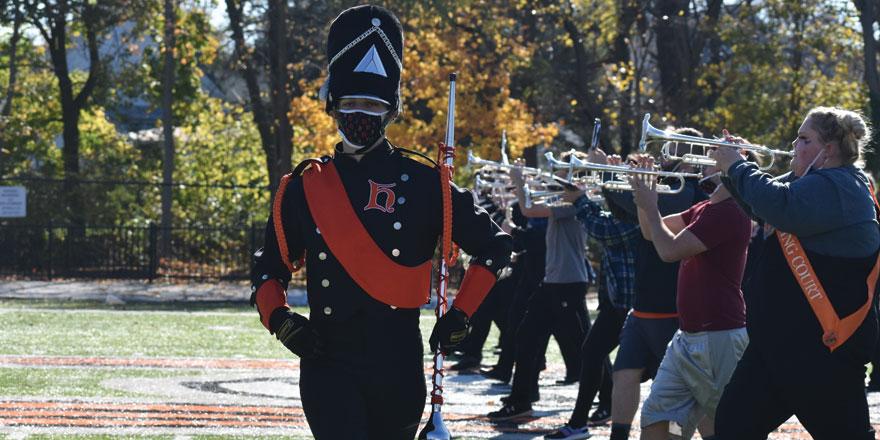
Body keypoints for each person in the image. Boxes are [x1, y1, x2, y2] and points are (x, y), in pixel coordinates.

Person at [248, 6, 511, 439]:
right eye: (350, 103)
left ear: (392, 109)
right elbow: (267, 267)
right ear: (332, 104)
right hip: (327, 362)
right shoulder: (305, 185)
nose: (360, 114)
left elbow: (496, 245)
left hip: (398, 366)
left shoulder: (429, 183)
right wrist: (280, 319)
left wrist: (461, 312)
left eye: (373, 105)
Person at [713, 107, 879, 440]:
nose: (793, 144)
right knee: (732, 427)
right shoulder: (814, 183)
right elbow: (761, 204)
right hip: (777, 349)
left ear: (827, 150)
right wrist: (736, 169)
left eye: (804, 139)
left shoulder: (838, 185)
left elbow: (779, 205)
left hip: (821, 357)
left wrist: (738, 164)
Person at [629, 151, 751, 440]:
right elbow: (650, 231)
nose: (703, 160)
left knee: (729, 425)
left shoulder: (730, 211)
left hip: (719, 337)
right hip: (688, 337)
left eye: (714, 154)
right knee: (662, 419)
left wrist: (650, 203)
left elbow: (668, 251)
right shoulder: (705, 208)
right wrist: (642, 195)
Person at [600, 130, 707, 440]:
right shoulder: (662, 183)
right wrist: (619, 178)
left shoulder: (693, 190)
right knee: (623, 374)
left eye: (670, 150)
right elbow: (628, 207)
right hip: (642, 307)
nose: (663, 157)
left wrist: (620, 176)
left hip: (672, 309)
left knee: (684, 393)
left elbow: (649, 206)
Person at [487, 152, 594, 420]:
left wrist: (520, 181)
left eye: (563, 175)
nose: (555, 180)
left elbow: (528, 209)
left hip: (568, 283)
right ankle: (521, 399)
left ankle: (608, 396)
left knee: (589, 346)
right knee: (526, 337)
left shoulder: (574, 204)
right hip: (553, 282)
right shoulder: (566, 201)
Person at [544, 149, 642, 440]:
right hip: (617, 301)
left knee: (642, 370)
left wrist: (583, 197)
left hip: (636, 304)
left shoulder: (639, 216)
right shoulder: (626, 211)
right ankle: (579, 422)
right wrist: (604, 177)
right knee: (592, 352)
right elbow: (608, 213)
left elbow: (603, 228)